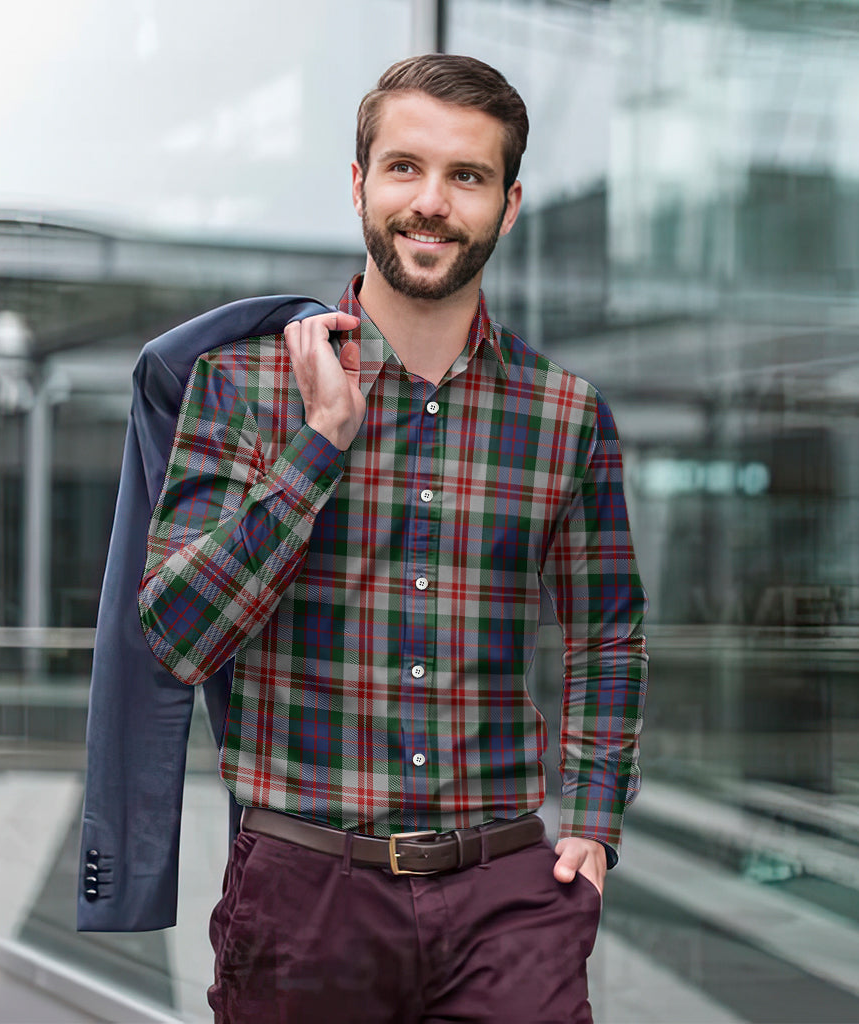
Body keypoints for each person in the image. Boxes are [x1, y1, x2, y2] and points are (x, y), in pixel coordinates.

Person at [137, 53, 647, 1023]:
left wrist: (591, 818)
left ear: (510, 202)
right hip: (305, 897)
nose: (432, 202)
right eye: (405, 167)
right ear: (360, 182)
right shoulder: (242, 390)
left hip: (507, 897)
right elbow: (176, 635)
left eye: (468, 176)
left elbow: (609, 631)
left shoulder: (565, 416)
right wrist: (318, 446)